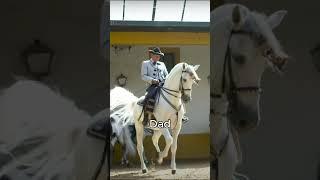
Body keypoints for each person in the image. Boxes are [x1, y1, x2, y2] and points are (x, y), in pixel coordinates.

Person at [138, 47, 189, 125]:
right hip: (153, 85)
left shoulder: (162, 64)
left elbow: (167, 75)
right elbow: (143, 76)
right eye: (156, 55)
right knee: (149, 96)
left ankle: (182, 115)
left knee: (178, 95)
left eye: (159, 56)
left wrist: (166, 80)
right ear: (152, 55)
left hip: (163, 84)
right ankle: (146, 117)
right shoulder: (145, 63)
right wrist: (152, 80)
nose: (158, 57)